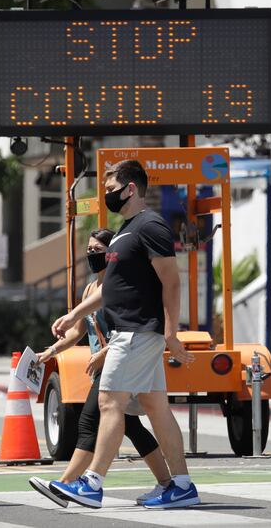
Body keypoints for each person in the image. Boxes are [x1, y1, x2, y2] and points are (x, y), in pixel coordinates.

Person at [48, 159, 199, 509]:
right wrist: (74, 314)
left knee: (109, 403)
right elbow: (112, 288)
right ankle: (182, 486)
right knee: (156, 408)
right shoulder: (126, 231)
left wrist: (172, 333)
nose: (107, 196)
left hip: (136, 332)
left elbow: (172, 282)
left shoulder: (151, 226)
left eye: (111, 189)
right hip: (134, 333)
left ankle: (92, 484)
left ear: (131, 188)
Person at [28, 228, 172, 507]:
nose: (92, 254)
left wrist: (104, 354)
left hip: (119, 361)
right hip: (105, 366)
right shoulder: (91, 289)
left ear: (112, 254)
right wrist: (51, 351)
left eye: (98, 250)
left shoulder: (121, 287)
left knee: (89, 421)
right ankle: (166, 483)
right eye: (89, 250)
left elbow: (129, 330)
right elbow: (78, 331)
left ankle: (67, 483)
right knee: (131, 425)